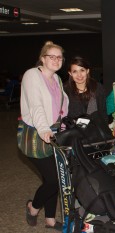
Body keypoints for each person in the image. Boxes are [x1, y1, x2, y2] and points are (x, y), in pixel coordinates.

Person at [21, 41, 69, 230]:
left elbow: (61, 107)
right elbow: (36, 106)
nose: (56, 60)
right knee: (54, 179)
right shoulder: (32, 75)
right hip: (36, 136)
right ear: (43, 58)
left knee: (52, 178)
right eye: (52, 56)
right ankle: (33, 207)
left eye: (59, 57)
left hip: (55, 135)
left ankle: (50, 219)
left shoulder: (56, 78)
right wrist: (43, 130)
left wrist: (64, 126)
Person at [64, 56, 108, 122]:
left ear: (87, 71)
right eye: (75, 71)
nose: (79, 75)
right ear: (70, 73)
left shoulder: (97, 88)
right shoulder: (65, 90)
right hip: (74, 130)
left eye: (82, 70)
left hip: (95, 129)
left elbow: (103, 112)